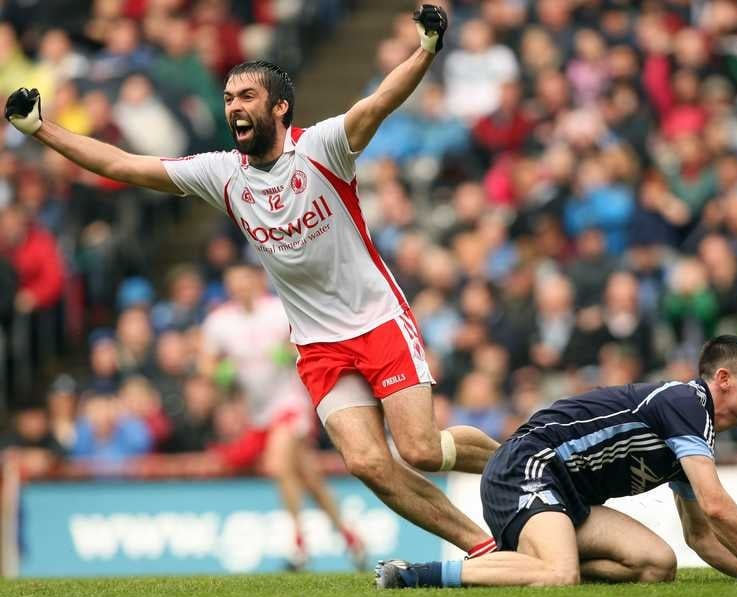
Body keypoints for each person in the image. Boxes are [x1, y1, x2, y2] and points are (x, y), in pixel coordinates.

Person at [4, 4, 500, 558]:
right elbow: (122, 166)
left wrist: (426, 49)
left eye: (246, 97)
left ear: (279, 106)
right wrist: (40, 129)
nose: (233, 107)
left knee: (422, 450)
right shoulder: (221, 173)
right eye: (228, 99)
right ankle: (482, 544)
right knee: (364, 462)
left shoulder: (323, 148)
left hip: (378, 320)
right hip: (318, 344)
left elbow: (380, 100)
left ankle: (520, 463)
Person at [376, 335, 737, 588]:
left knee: (657, 566)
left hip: (566, 496)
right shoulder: (687, 401)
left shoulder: (697, 431)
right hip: (530, 466)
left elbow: (702, 537)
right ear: (723, 380)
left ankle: (517, 561)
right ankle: (416, 575)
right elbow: (715, 504)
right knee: (559, 575)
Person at [199, 262, 366, 570]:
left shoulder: (279, 310)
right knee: (309, 478)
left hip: (290, 402)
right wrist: (221, 373)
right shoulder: (219, 322)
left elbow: (310, 345)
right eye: (233, 283)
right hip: (258, 410)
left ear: (257, 281)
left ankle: (298, 545)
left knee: (278, 462)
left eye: (245, 281)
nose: (240, 288)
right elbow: (205, 364)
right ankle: (350, 537)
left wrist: (290, 353)